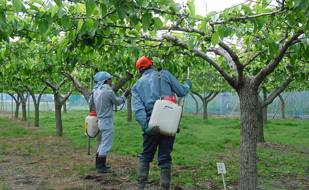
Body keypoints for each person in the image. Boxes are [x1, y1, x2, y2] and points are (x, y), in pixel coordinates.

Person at [132, 57, 192, 190]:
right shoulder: (164, 74)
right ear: (152, 65)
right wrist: (188, 85)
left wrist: (145, 126)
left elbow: (138, 109)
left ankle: (140, 187)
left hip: (151, 120)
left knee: (146, 155)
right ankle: (164, 187)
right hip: (169, 119)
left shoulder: (136, 86)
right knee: (164, 157)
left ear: (139, 71)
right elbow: (181, 91)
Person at [89, 71, 131, 173]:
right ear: (107, 80)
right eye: (111, 79)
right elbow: (118, 101)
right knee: (106, 144)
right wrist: (125, 95)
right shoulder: (108, 92)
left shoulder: (95, 92)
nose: (112, 81)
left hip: (100, 120)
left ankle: (99, 164)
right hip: (107, 120)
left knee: (102, 143)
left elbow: (90, 103)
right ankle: (100, 166)